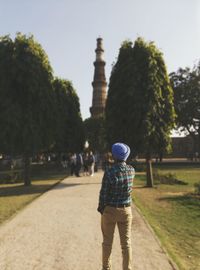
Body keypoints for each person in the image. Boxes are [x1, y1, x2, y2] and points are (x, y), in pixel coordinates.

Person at [98, 142, 135, 270]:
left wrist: (102, 209)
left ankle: (106, 268)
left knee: (107, 243)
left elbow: (103, 194)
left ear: (113, 156)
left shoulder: (109, 172)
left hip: (110, 210)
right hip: (126, 210)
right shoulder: (131, 170)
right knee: (126, 244)